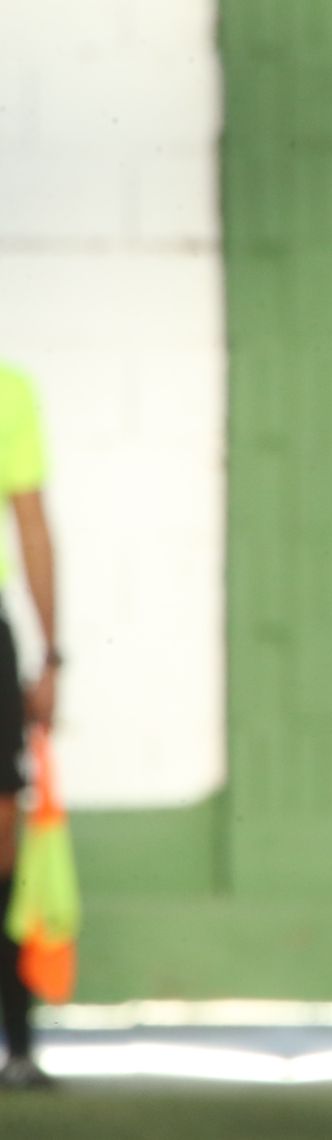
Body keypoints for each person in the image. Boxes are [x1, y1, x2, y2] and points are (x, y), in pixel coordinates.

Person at [0, 364, 57, 1091]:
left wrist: (52, 653)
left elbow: (32, 522)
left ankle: (17, 1038)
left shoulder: (6, 390)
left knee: (3, 834)